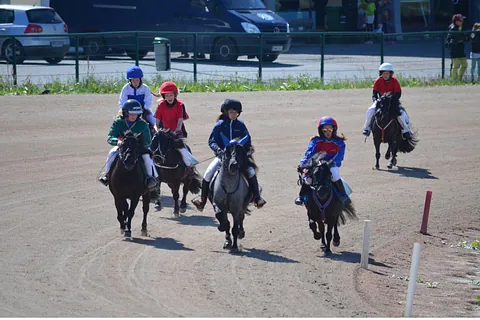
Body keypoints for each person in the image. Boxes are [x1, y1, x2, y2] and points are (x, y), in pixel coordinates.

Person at [191, 99, 266, 211]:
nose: (233, 114)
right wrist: (219, 151)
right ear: (226, 112)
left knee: (250, 172)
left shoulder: (241, 125)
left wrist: (244, 152)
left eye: (236, 112)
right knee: (208, 173)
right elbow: (212, 141)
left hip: (238, 158)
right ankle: (202, 200)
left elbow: (248, 140)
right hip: (222, 157)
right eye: (231, 112)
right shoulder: (220, 125)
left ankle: (257, 197)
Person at [99, 99, 158, 188]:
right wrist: (117, 142)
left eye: (136, 113)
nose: (134, 116)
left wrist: (138, 145)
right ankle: (107, 176)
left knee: (147, 158)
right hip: (122, 147)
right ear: (125, 112)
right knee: (112, 153)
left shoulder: (143, 124)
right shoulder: (118, 122)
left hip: (138, 148)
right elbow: (110, 137)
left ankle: (150, 178)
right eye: (131, 113)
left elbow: (148, 141)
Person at [295, 116, 351, 206]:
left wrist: (331, 163)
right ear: (321, 130)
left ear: (334, 129)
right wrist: (302, 164)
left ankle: (342, 195)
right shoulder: (315, 141)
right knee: (308, 179)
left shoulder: (340, 142)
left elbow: (339, 157)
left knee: (335, 175)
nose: (327, 132)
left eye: (330, 129)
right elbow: (309, 154)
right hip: (317, 164)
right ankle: (301, 196)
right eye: (325, 129)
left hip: (332, 165)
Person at [154, 81, 198, 169]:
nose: (169, 97)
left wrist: (175, 132)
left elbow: (180, 121)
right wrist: (158, 131)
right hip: (164, 132)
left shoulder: (180, 105)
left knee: (182, 149)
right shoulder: (161, 105)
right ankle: (153, 172)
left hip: (177, 132)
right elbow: (157, 122)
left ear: (175, 95)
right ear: (164, 97)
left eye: (171, 95)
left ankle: (189, 166)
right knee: (154, 148)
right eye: (167, 96)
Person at [362, 62, 412, 139]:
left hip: (392, 102)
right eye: (383, 73)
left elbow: (398, 93)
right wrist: (376, 100)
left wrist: (393, 101)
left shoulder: (394, 81)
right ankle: (367, 128)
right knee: (370, 110)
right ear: (381, 73)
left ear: (390, 74)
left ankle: (405, 130)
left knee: (402, 114)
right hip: (381, 102)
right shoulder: (378, 81)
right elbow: (374, 93)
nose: (385, 75)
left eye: (387, 73)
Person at [446, 14, 470, 80]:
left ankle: (459, 78)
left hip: (461, 48)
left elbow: (466, 38)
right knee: (456, 65)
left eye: (462, 20)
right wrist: (463, 37)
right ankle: (454, 79)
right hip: (454, 49)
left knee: (465, 64)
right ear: (456, 21)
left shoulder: (461, 27)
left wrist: (465, 37)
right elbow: (457, 37)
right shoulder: (453, 28)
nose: (462, 22)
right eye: (460, 20)